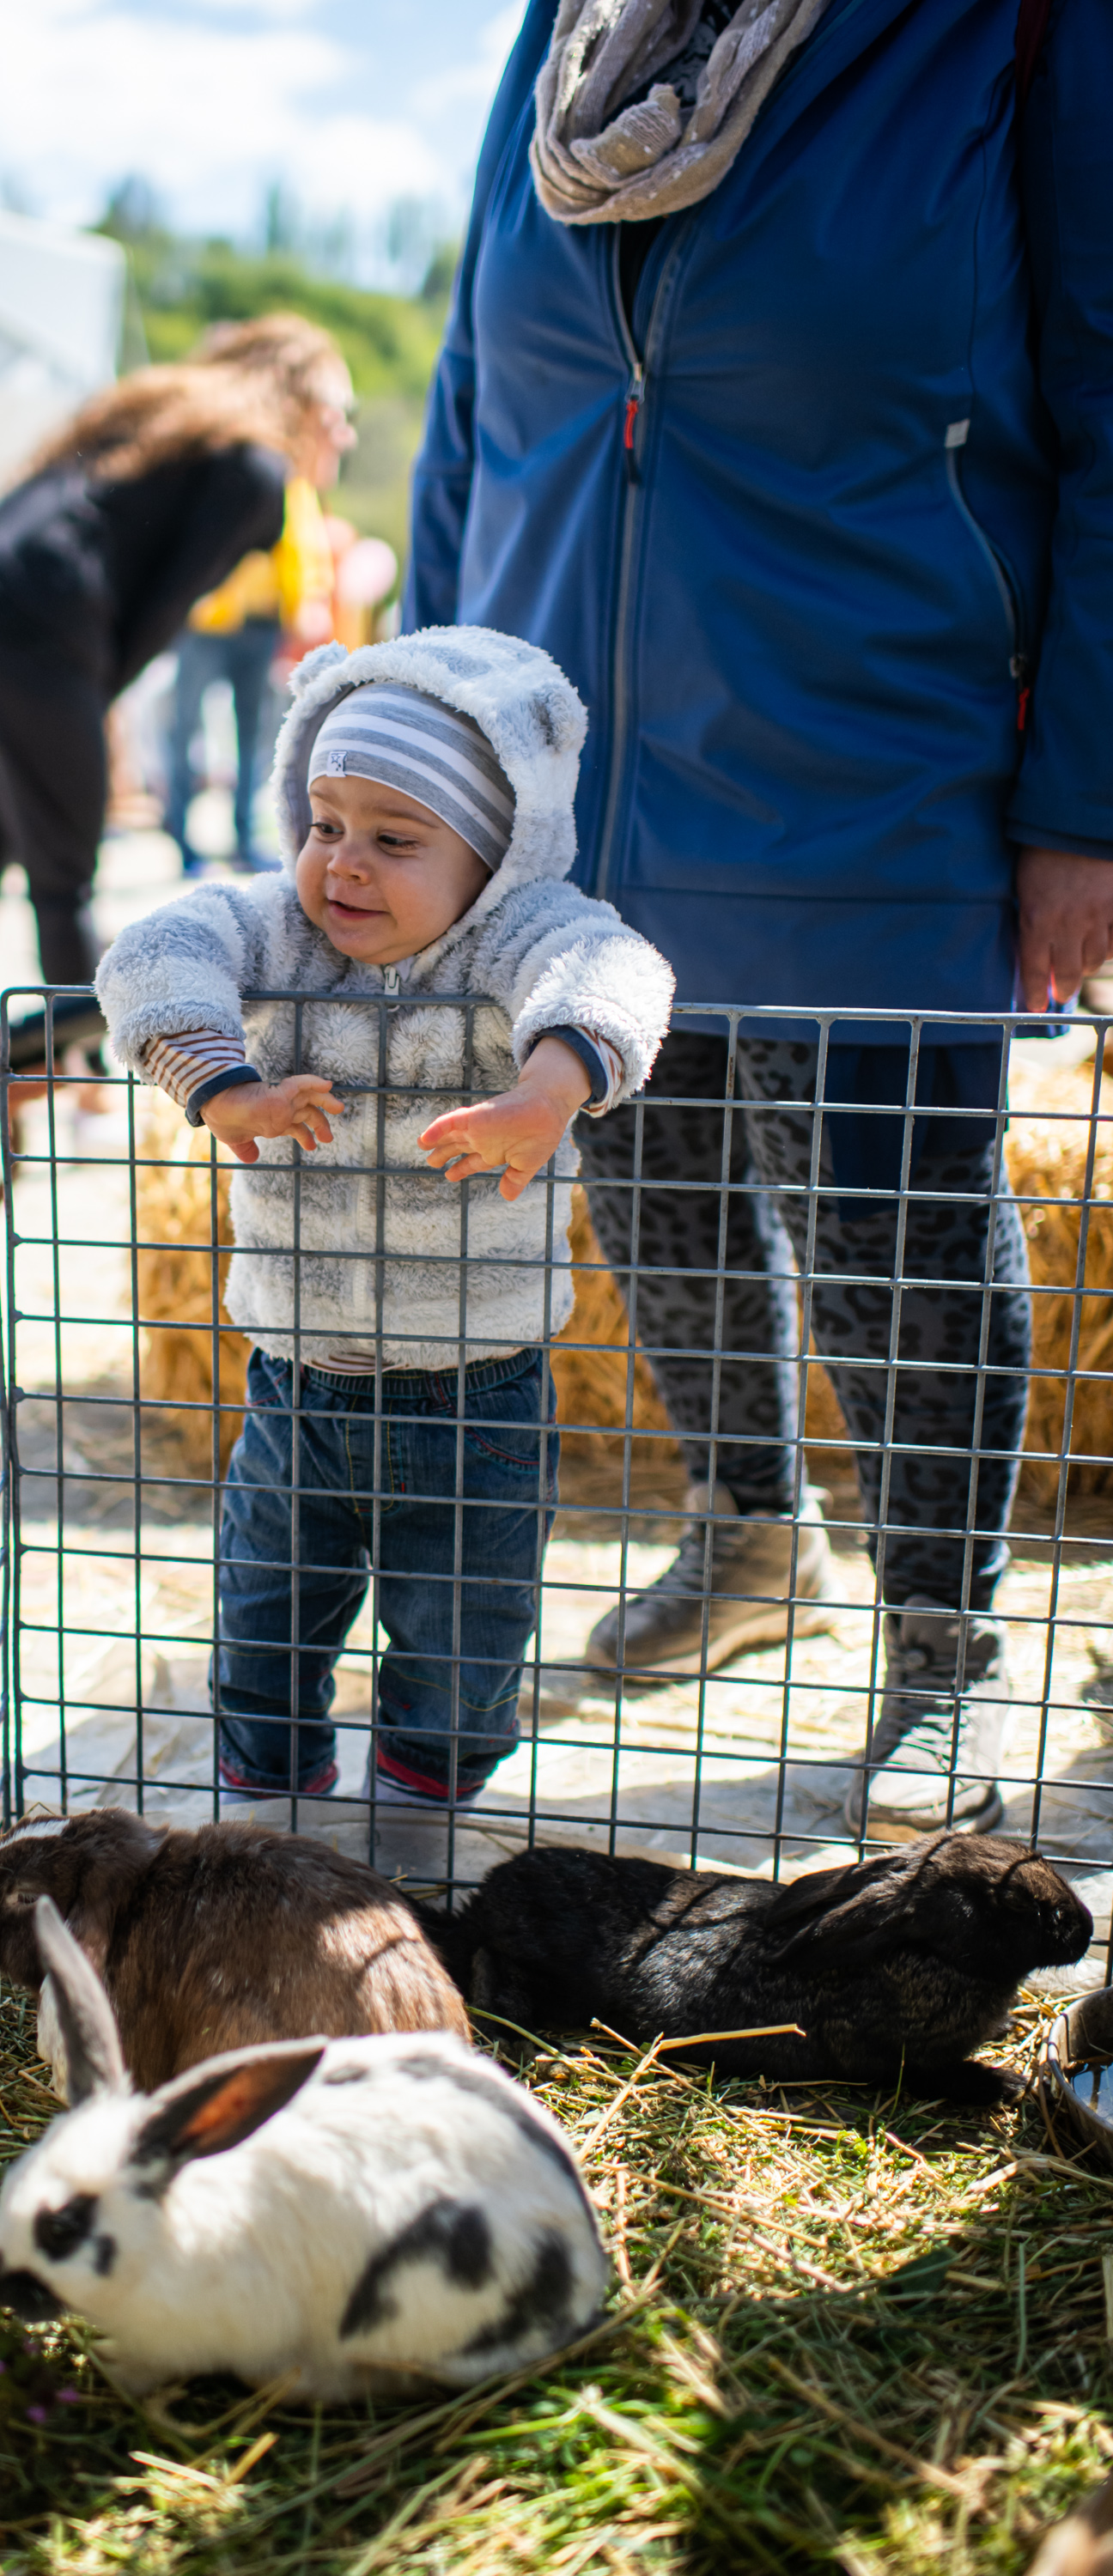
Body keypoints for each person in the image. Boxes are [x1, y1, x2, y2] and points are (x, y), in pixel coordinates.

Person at [405, 0, 1111, 1838]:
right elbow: (470, 409)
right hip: (563, 751)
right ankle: (749, 1532)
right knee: (643, 1156)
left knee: (892, 1212)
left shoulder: (1013, 29)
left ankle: (946, 1644)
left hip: (880, 744)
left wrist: (1087, 801)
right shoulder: (569, 33)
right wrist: (420, 730)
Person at [97, 628, 672, 1806]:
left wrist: (549, 1089)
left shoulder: (523, 932)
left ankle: (426, 1807)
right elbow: (157, 946)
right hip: (296, 1381)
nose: (343, 866)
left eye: (394, 839)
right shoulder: (284, 928)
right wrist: (220, 1080)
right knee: (262, 1612)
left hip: (478, 1391)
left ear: (493, 854)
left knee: (464, 1633)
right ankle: (268, 1800)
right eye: (324, 823)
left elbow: (618, 971)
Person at [0, 332, 354, 1015]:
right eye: (339, 412)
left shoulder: (165, 429)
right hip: (34, 639)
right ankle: (82, 1093)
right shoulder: (255, 470)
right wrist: (93, 706)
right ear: (303, 403)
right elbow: (165, 608)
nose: (346, 436)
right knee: (64, 884)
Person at [164, 317, 352, 878]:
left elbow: (304, 537)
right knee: (187, 730)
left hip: (262, 621)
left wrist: (307, 600)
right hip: (205, 620)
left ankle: (244, 839)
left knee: (257, 740)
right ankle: (182, 839)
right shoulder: (220, 457)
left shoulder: (284, 468)